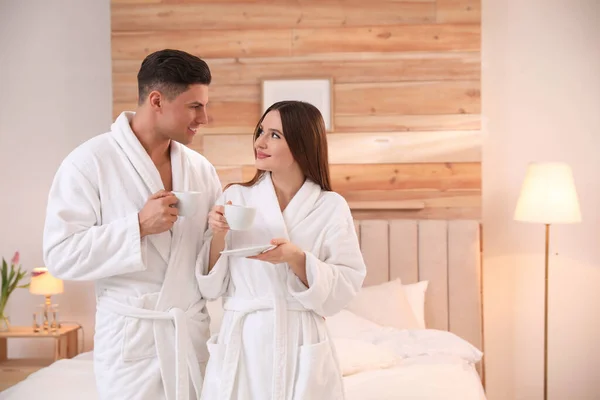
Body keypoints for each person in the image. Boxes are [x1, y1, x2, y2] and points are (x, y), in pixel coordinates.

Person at [42, 49, 222, 400]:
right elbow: (60, 256)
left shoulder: (201, 169)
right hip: (133, 344)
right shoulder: (89, 163)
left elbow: (209, 260)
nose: (205, 117)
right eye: (194, 106)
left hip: (189, 338)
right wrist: (137, 226)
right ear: (156, 100)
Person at [196, 101, 367, 399]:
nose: (260, 142)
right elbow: (212, 286)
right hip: (244, 338)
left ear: (302, 144)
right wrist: (218, 235)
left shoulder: (330, 206)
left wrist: (296, 258)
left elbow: (346, 284)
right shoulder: (236, 196)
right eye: (261, 131)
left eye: (275, 135)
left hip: (300, 337)